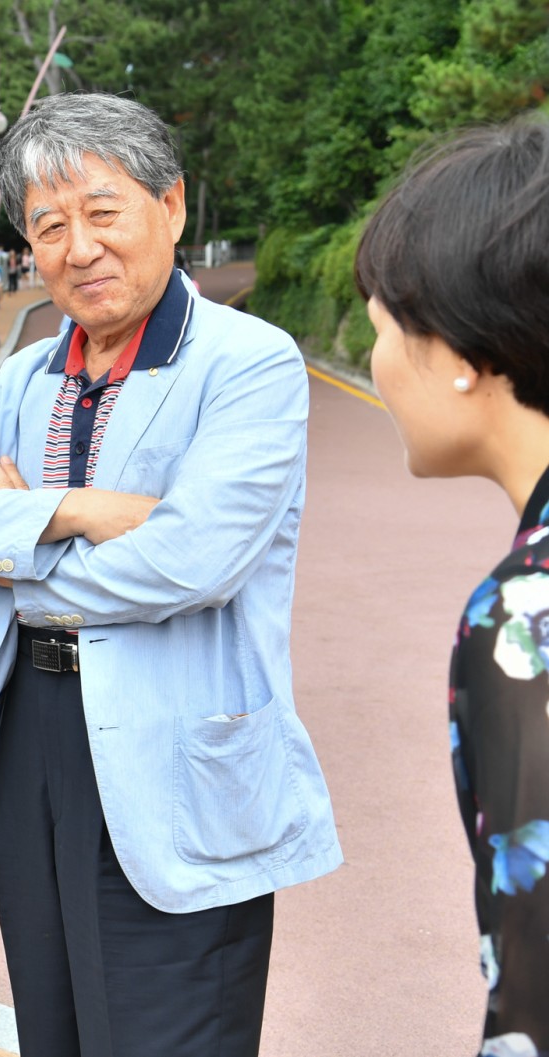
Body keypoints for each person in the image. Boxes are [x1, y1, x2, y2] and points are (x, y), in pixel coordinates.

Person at [0, 92, 341, 1057]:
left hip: (176, 748)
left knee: (170, 1030)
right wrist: (78, 510)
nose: (79, 247)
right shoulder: (27, 376)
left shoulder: (246, 363)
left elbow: (191, 560)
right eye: (49, 226)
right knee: (53, 1028)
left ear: (170, 206)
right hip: (31, 738)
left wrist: (10, 556)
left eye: (103, 212)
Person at [355, 120, 549, 1056]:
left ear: (465, 352)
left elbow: (535, 994)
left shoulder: (523, 613)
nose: (378, 364)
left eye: (383, 329)